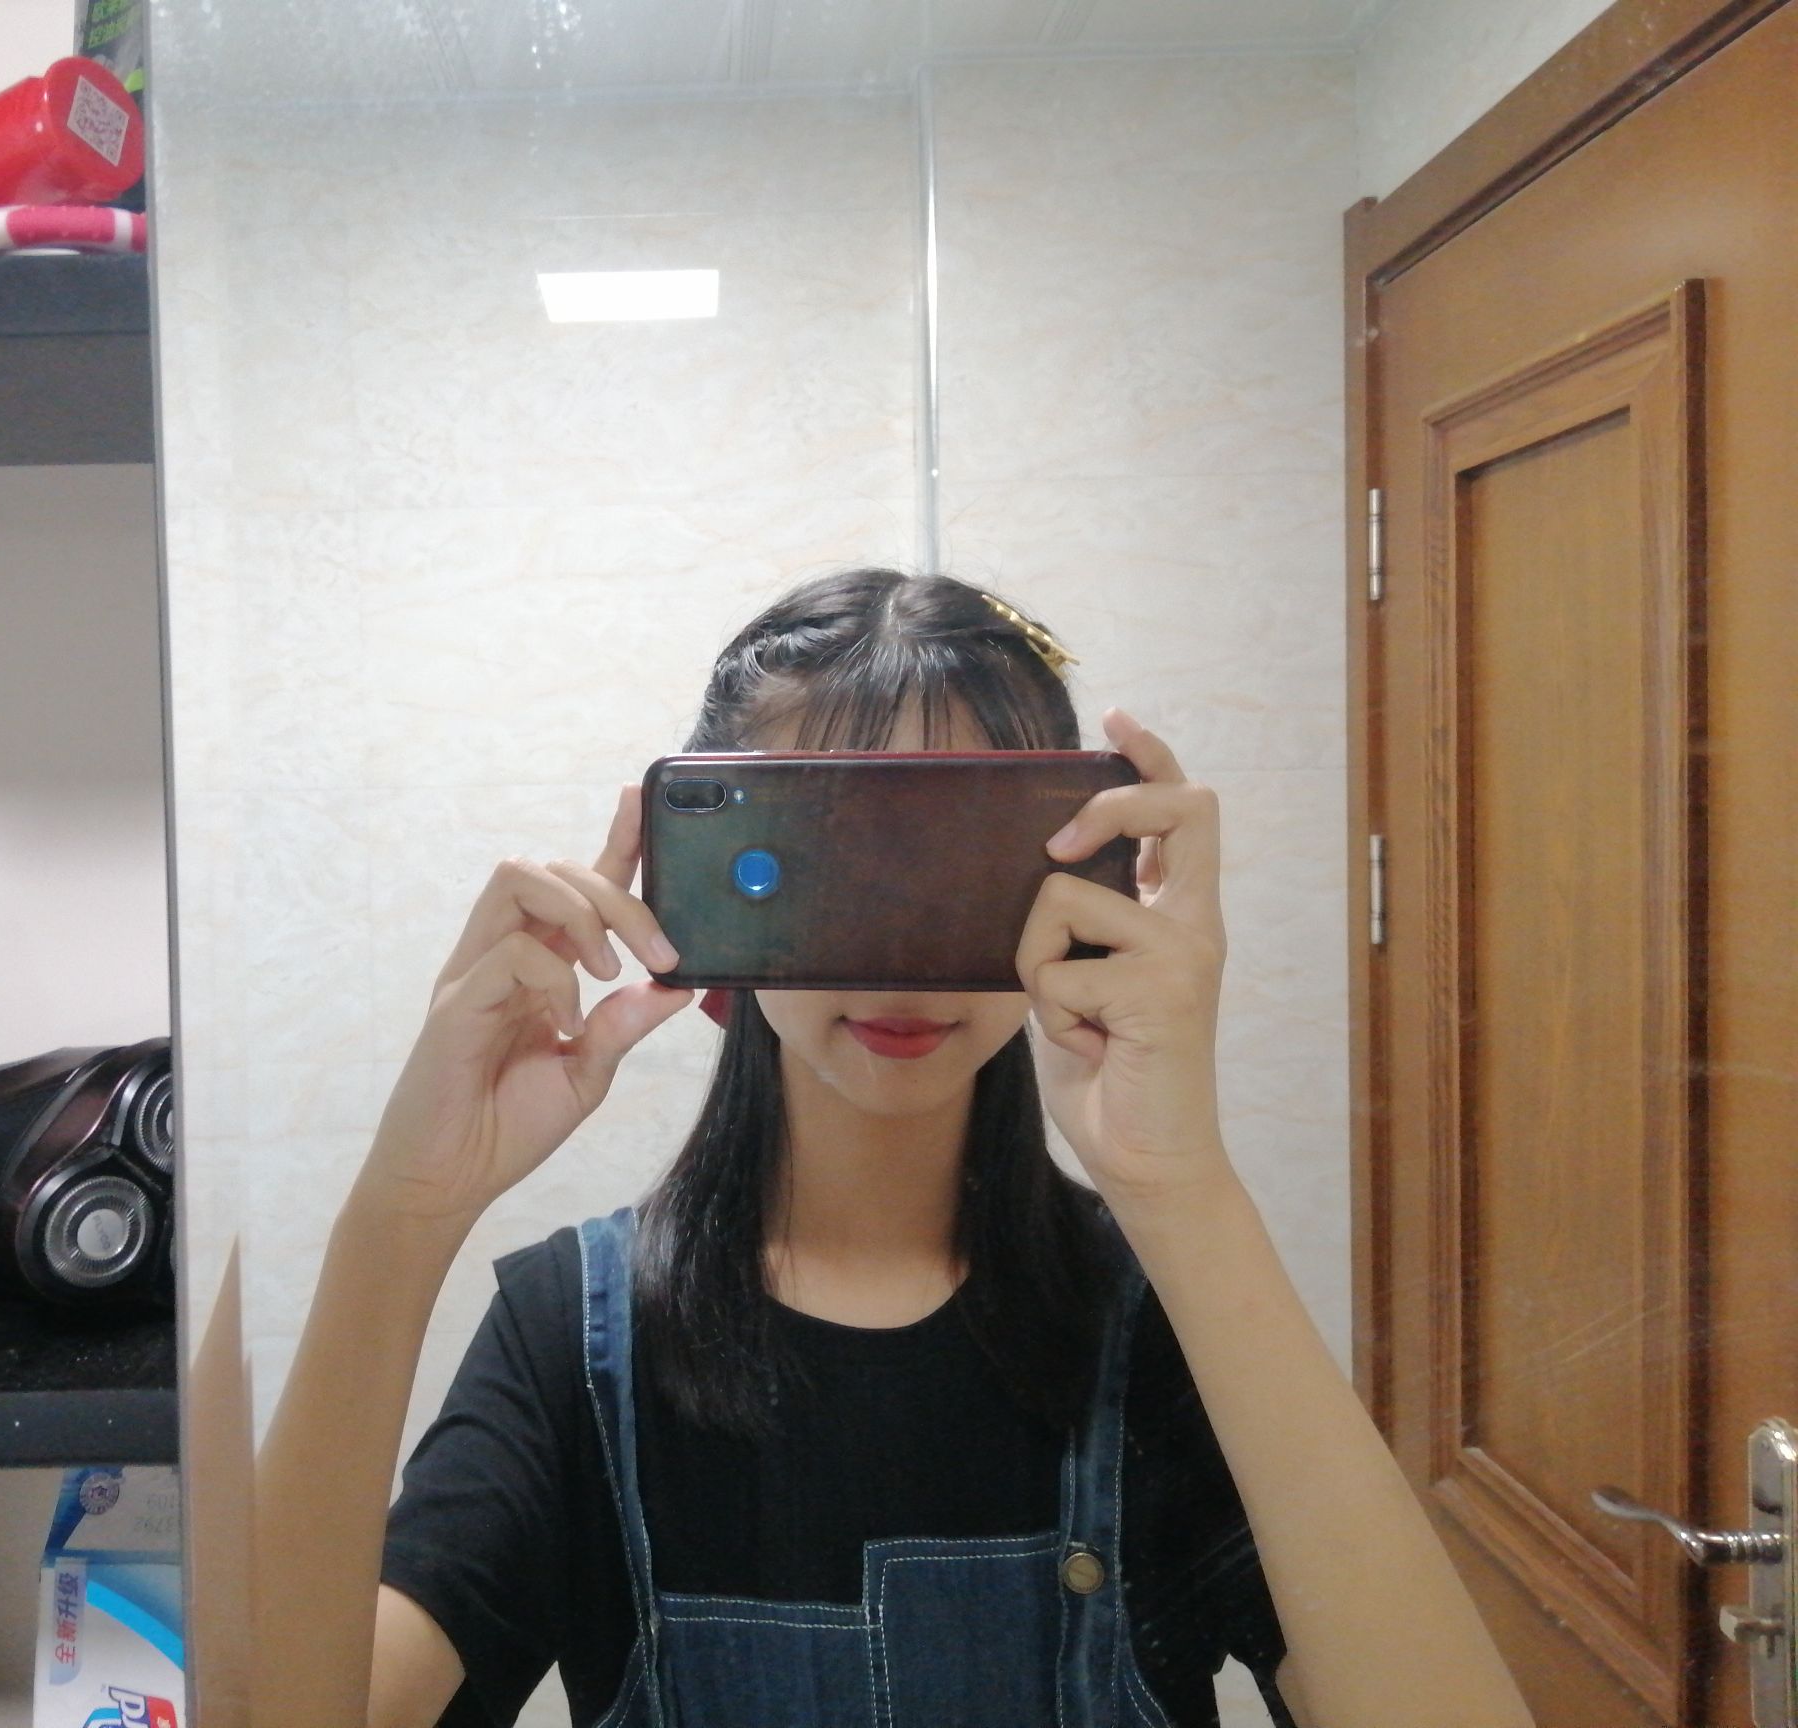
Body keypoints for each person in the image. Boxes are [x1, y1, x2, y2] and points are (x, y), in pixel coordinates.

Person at [252, 569, 1532, 1728]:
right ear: (712, 873)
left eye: (963, 856)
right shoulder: (572, 1339)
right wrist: (401, 1217)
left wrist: (1181, 1188)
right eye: (829, 854)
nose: (903, 938)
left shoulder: (1161, 1321)